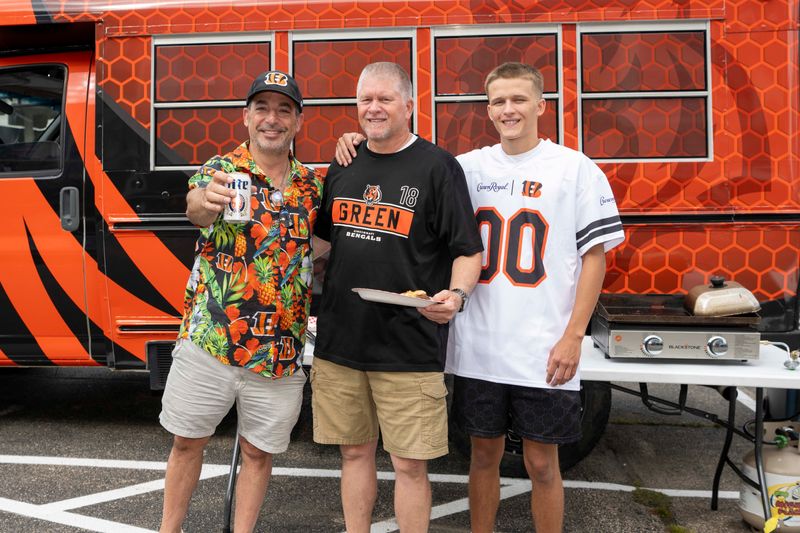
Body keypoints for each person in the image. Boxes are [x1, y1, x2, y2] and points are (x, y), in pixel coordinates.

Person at [335, 62, 625, 533]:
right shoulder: (466, 167)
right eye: (498, 102)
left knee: (543, 463)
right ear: (487, 109)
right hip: (479, 347)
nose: (508, 110)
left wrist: (574, 335)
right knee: (483, 456)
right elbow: (401, 165)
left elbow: (595, 258)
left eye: (519, 100)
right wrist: (352, 143)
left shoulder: (575, 169)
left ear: (541, 105)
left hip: (542, 345)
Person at [312, 61, 483, 533]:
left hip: (409, 345)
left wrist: (457, 295)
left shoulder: (437, 167)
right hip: (341, 343)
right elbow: (323, 243)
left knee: (409, 465)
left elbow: (469, 251)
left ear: (409, 105)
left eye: (385, 99)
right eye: (365, 99)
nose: (374, 108)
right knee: (353, 453)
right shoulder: (342, 164)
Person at [159, 70, 323, 533]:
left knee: (258, 453)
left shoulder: (312, 186)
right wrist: (204, 202)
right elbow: (195, 206)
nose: (272, 119)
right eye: (263, 109)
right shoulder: (220, 170)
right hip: (211, 341)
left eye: (284, 110)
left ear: (297, 120)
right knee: (188, 442)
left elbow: (321, 243)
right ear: (246, 116)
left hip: (279, 351)